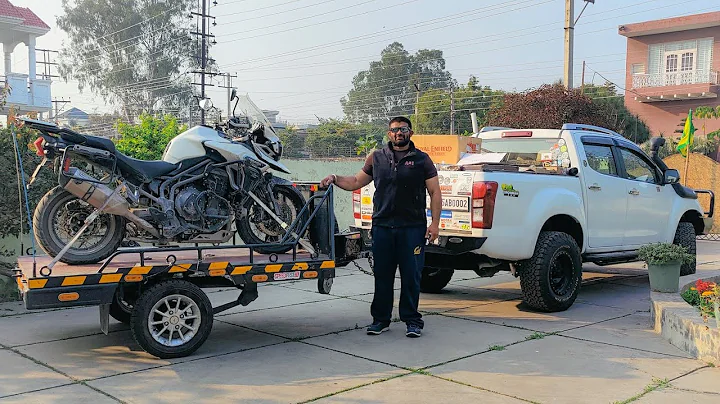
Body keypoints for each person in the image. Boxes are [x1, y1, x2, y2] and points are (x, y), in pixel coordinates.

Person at [320, 116, 441, 338]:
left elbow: (435, 192)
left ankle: (412, 321)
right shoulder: (376, 157)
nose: (399, 133)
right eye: (394, 130)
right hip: (383, 227)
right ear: (389, 134)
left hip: (412, 228)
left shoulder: (422, 160)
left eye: (403, 129)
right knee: (383, 275)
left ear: (410, 133)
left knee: (411, 275)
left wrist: (434, 223)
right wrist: (335, 178)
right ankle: (380, 320)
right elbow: (356, 181)